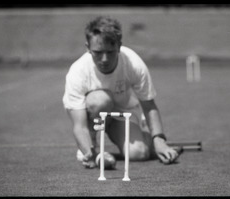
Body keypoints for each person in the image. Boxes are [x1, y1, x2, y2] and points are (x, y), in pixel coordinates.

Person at [62, 16, 181, 169]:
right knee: (100, 100)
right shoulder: (77, 72)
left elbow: (149, 105)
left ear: (119, 46)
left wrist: (159, 140)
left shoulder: (134, 64)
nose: (104, 59)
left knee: (139, 153)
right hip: (92, 115)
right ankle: (92, 145)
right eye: (98, 52)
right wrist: (93, 155)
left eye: (110, 52)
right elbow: (79, 126)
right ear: (87, 47)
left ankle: (146, 140)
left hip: (123, 112)